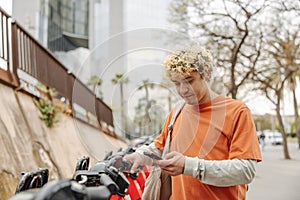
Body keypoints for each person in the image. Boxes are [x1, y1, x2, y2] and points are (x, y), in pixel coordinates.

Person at [124, 44, 262, 200]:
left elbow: (246, 171)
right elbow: (159, 148)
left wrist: (188, 166)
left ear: (207, 75)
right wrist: (141, 155)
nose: (183, 90)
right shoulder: (177, 111)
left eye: (188, 81)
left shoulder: (237, 112)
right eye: (177, 83)